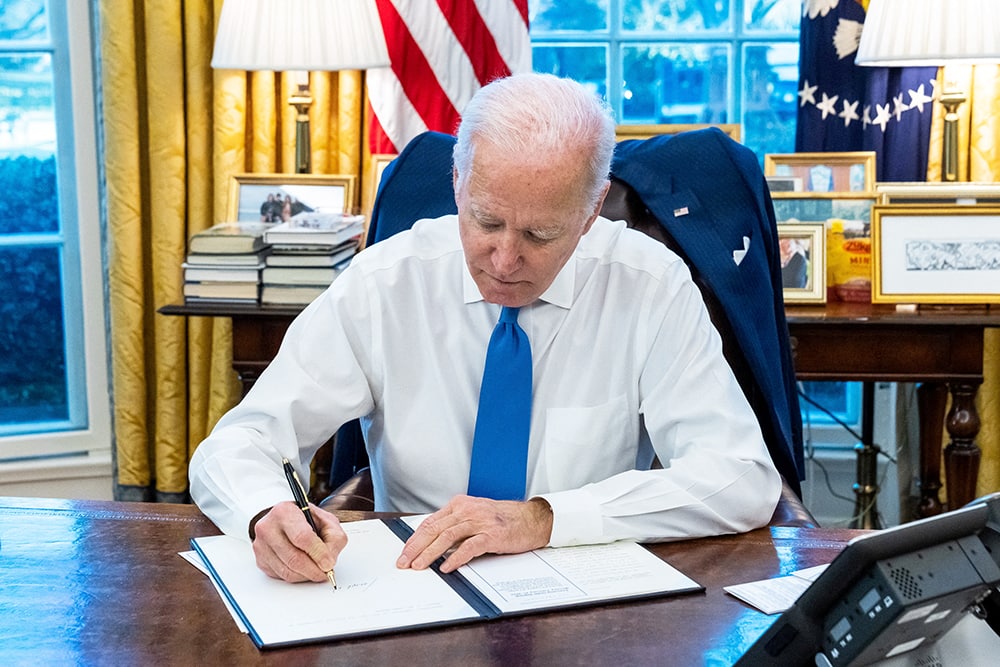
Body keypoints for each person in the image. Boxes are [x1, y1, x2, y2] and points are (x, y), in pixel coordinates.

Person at [189, 72, 781, 585]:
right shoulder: (386, 283)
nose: (504, 260)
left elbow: (740, 478)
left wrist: (544, 518)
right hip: (409, 585)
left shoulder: (650, 286)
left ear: (592, 210)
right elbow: (240, 443)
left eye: (540, 235)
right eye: (486, 221)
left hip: (584, 590)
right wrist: (265, 512)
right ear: (457, 182)